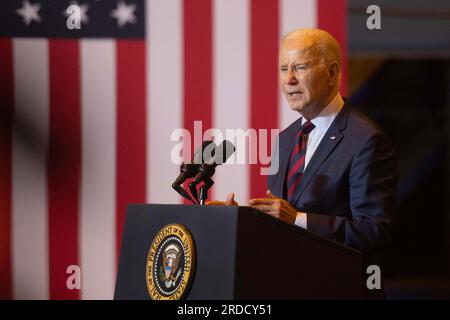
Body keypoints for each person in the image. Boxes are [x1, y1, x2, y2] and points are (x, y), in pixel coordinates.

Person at [207, 28, 398, 252]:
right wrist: (241, 219)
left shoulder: (366, 140)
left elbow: (374, 231)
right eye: (284, 69)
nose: (289, 79)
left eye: (300, 67)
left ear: (332, 73)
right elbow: (278, 226)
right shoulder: (284, 140)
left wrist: (297, 219)